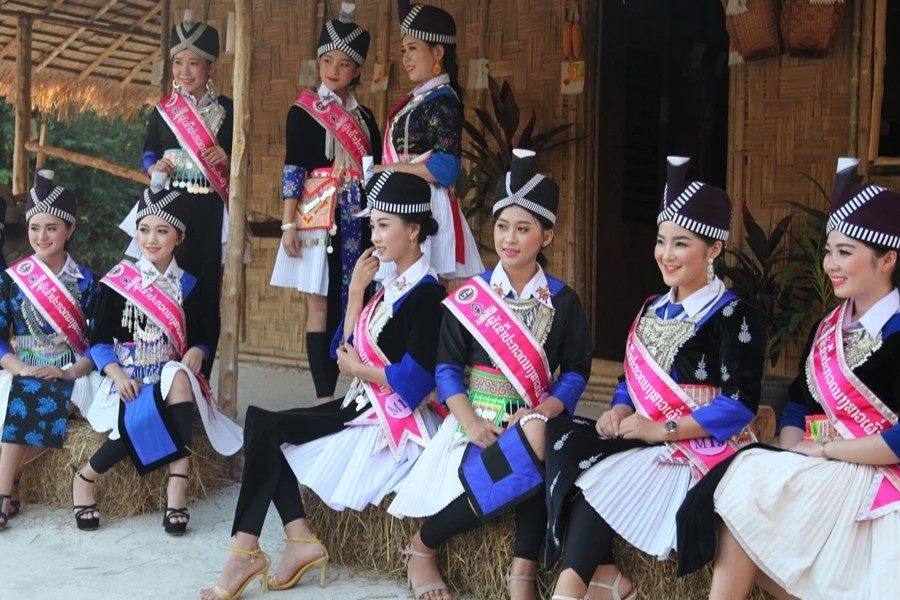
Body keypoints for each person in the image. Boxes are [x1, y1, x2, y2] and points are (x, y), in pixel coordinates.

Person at [200, 171, 445, 600]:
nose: (375, 235)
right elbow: (342, 349)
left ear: (414, 230)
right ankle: (288, 542)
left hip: (386, 418)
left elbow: (415, 380)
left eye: (384, 225)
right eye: (373, 225)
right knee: (260, 423)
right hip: (360, 402)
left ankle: (254, 549)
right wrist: (353, 293)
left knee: (264, 428)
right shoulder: (384, 286)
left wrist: (362, 372)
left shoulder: (427, 295)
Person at [676, 157, 900, 600]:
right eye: (828, 251)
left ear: (887, 259)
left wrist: (827, 450)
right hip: (824, 466)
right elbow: (798, 402)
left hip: (881, 478)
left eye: (845, 252)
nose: (830, 264)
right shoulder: (828, 328)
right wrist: (795, 448)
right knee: (744, 489)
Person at [545, 156, 764, 600]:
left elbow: (739, 404)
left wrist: (660, 429)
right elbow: (632, 379)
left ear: (714, 249)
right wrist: (620, 408)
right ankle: (575, 590)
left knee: (601, 477)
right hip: (646, 433)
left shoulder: (734, 314)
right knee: (568, 442)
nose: (665, 254)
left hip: (704, 443)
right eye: (661, 241)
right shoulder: (651, 307)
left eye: (680, 244)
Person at [388, 150, 593, 600]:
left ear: (548, 235)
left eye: (523, 229)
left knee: (540, 450)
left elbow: (576, 372)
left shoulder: (564, 301)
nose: (510, 239)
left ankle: (517, 569)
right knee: (521, 464)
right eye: (503, 227)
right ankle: (425, 545)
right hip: (474, 421)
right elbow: (446, 369)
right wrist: (471, 423)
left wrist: (541, 412)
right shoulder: (471, 296)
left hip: (533, 418)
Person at [72, 172, 242, 534]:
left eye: (162, 231)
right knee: (144, 414)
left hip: (167, 374)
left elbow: (204, 336)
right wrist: (116, 374)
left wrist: (198, 350)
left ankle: (176, 488)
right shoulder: (118, 283)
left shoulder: (191, 286)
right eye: (144, 229)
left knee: (178, 376)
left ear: (178, 237)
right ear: (136, 233)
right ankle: (85, 477)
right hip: (126, 378)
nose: (152, 239)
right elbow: (99, 341)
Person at [270, 3, 382, 403]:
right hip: (317, 220)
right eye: (327, 60)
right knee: (318, 305)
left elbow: (375, 169)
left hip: (360, 215)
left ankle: (357, 389)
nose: (333, 70)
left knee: (362, 298)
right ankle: (323, 397)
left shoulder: (367, 118)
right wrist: (287, 224)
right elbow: (293, 170)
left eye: (344, 63)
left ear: (357, 72)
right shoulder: (303, 112)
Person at [125, 11, 232, 378]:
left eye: (194, 63)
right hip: (170, 211)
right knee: (166, 283)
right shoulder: (163, 111)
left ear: (211, 67)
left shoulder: (228, 110)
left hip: (209, 209)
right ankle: (160, 369)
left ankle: (200, 373)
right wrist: (154, 168)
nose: (185, 71)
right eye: (178, 63)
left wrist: (229, 158)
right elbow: (148, 151)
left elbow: (240, 163)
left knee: (203, 290)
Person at [0, 170, 106, 529]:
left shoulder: (88, 282)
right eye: (34, 228)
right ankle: (6, 490)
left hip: (72, 370)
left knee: (45, 395)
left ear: (69, 230)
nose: (41, 237)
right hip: (22, 367)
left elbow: (101, 344)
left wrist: (68, 372)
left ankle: (6, 492)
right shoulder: (13, 278)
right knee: (28, 390)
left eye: (51, 228)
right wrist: (20, 368)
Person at [374, 2, 483, 281]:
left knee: (425, 289)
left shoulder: (443, 101)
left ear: (437, 52)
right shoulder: (419, 99)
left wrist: (388, 170)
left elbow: (445, 169)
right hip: (405, 201)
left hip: (428, 204)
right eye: (403, 50)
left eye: (413, 48)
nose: (406, 58)